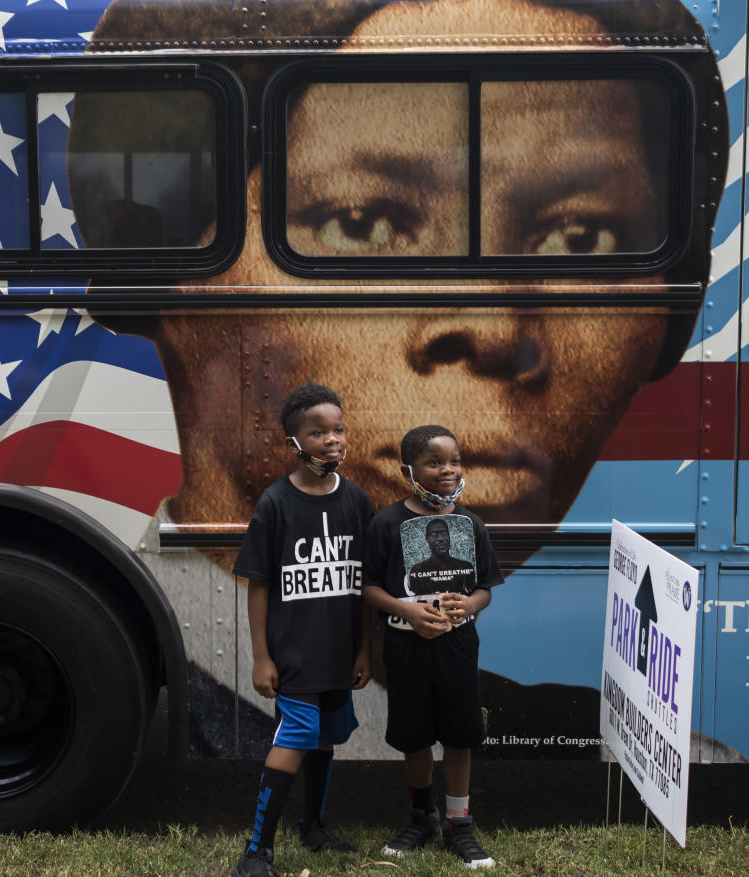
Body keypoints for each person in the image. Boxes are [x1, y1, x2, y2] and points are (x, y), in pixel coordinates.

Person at [70, 0, 728, 758]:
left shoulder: (652, 750)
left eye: (586, 237)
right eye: (364, 223)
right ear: (162, 262)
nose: (492, 329)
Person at [229, 382, 374, 876]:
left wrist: (364, 650)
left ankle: (313, 827)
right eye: (318, 432)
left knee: (325, 737)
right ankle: (257, 851)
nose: (332, 440)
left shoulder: (357, 499)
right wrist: (262, 656)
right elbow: (258, 584)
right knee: (299, 730)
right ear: (294, 442)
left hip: (338, 652)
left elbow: (365, 583)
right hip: (293, 652)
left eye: (338, 429)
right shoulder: (275, 503)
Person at [362, 425, 504, 869]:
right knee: (415, 734)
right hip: (405, 650)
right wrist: (408, 612)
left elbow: (485, 589)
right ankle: (422, 817)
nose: (448, 470)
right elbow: (367, 588)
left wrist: (468, 604)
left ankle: (459, 825)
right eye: (435, 462)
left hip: (458, 647)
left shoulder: (470, 524)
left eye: (455, 461)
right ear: (410, 470)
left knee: (460, 735)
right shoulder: (386, 523)